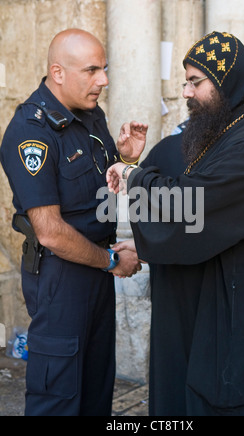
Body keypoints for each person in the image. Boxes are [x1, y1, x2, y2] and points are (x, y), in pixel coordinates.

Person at [107, 31, 244, 416]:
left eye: (196, 81)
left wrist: (133, 176)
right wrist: (145, 245)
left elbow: (194, 203)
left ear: (227, 81)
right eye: (185, 81)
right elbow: (210, 218)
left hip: (239, 316)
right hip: (217, 303)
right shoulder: (231, 128)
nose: (186, 92)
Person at [0, 29, 147, 416]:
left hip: (95, 272)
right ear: (58, 72)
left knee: (97, 389)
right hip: (60, 277)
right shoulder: (31, 132)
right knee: (59, 397)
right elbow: (50, 231)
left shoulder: (89, 114)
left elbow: (90, 190)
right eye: (92, 70)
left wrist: (124, 159)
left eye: (105, 69)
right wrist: (113, 262)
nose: (104, 80)